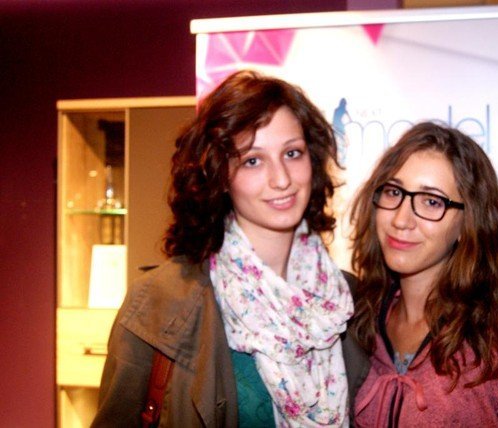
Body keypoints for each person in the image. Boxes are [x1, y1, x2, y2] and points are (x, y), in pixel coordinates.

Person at [92, 70, 369, 428]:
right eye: (253, 160)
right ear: (219, 174)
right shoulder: (158, 303)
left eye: (292, 153)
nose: (281, 179)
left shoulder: (350, 299)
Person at [349, 122, 498, 427]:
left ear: (467, 222)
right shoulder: (356, 319)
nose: (401, 219)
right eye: (394, 192)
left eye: (431, 201)